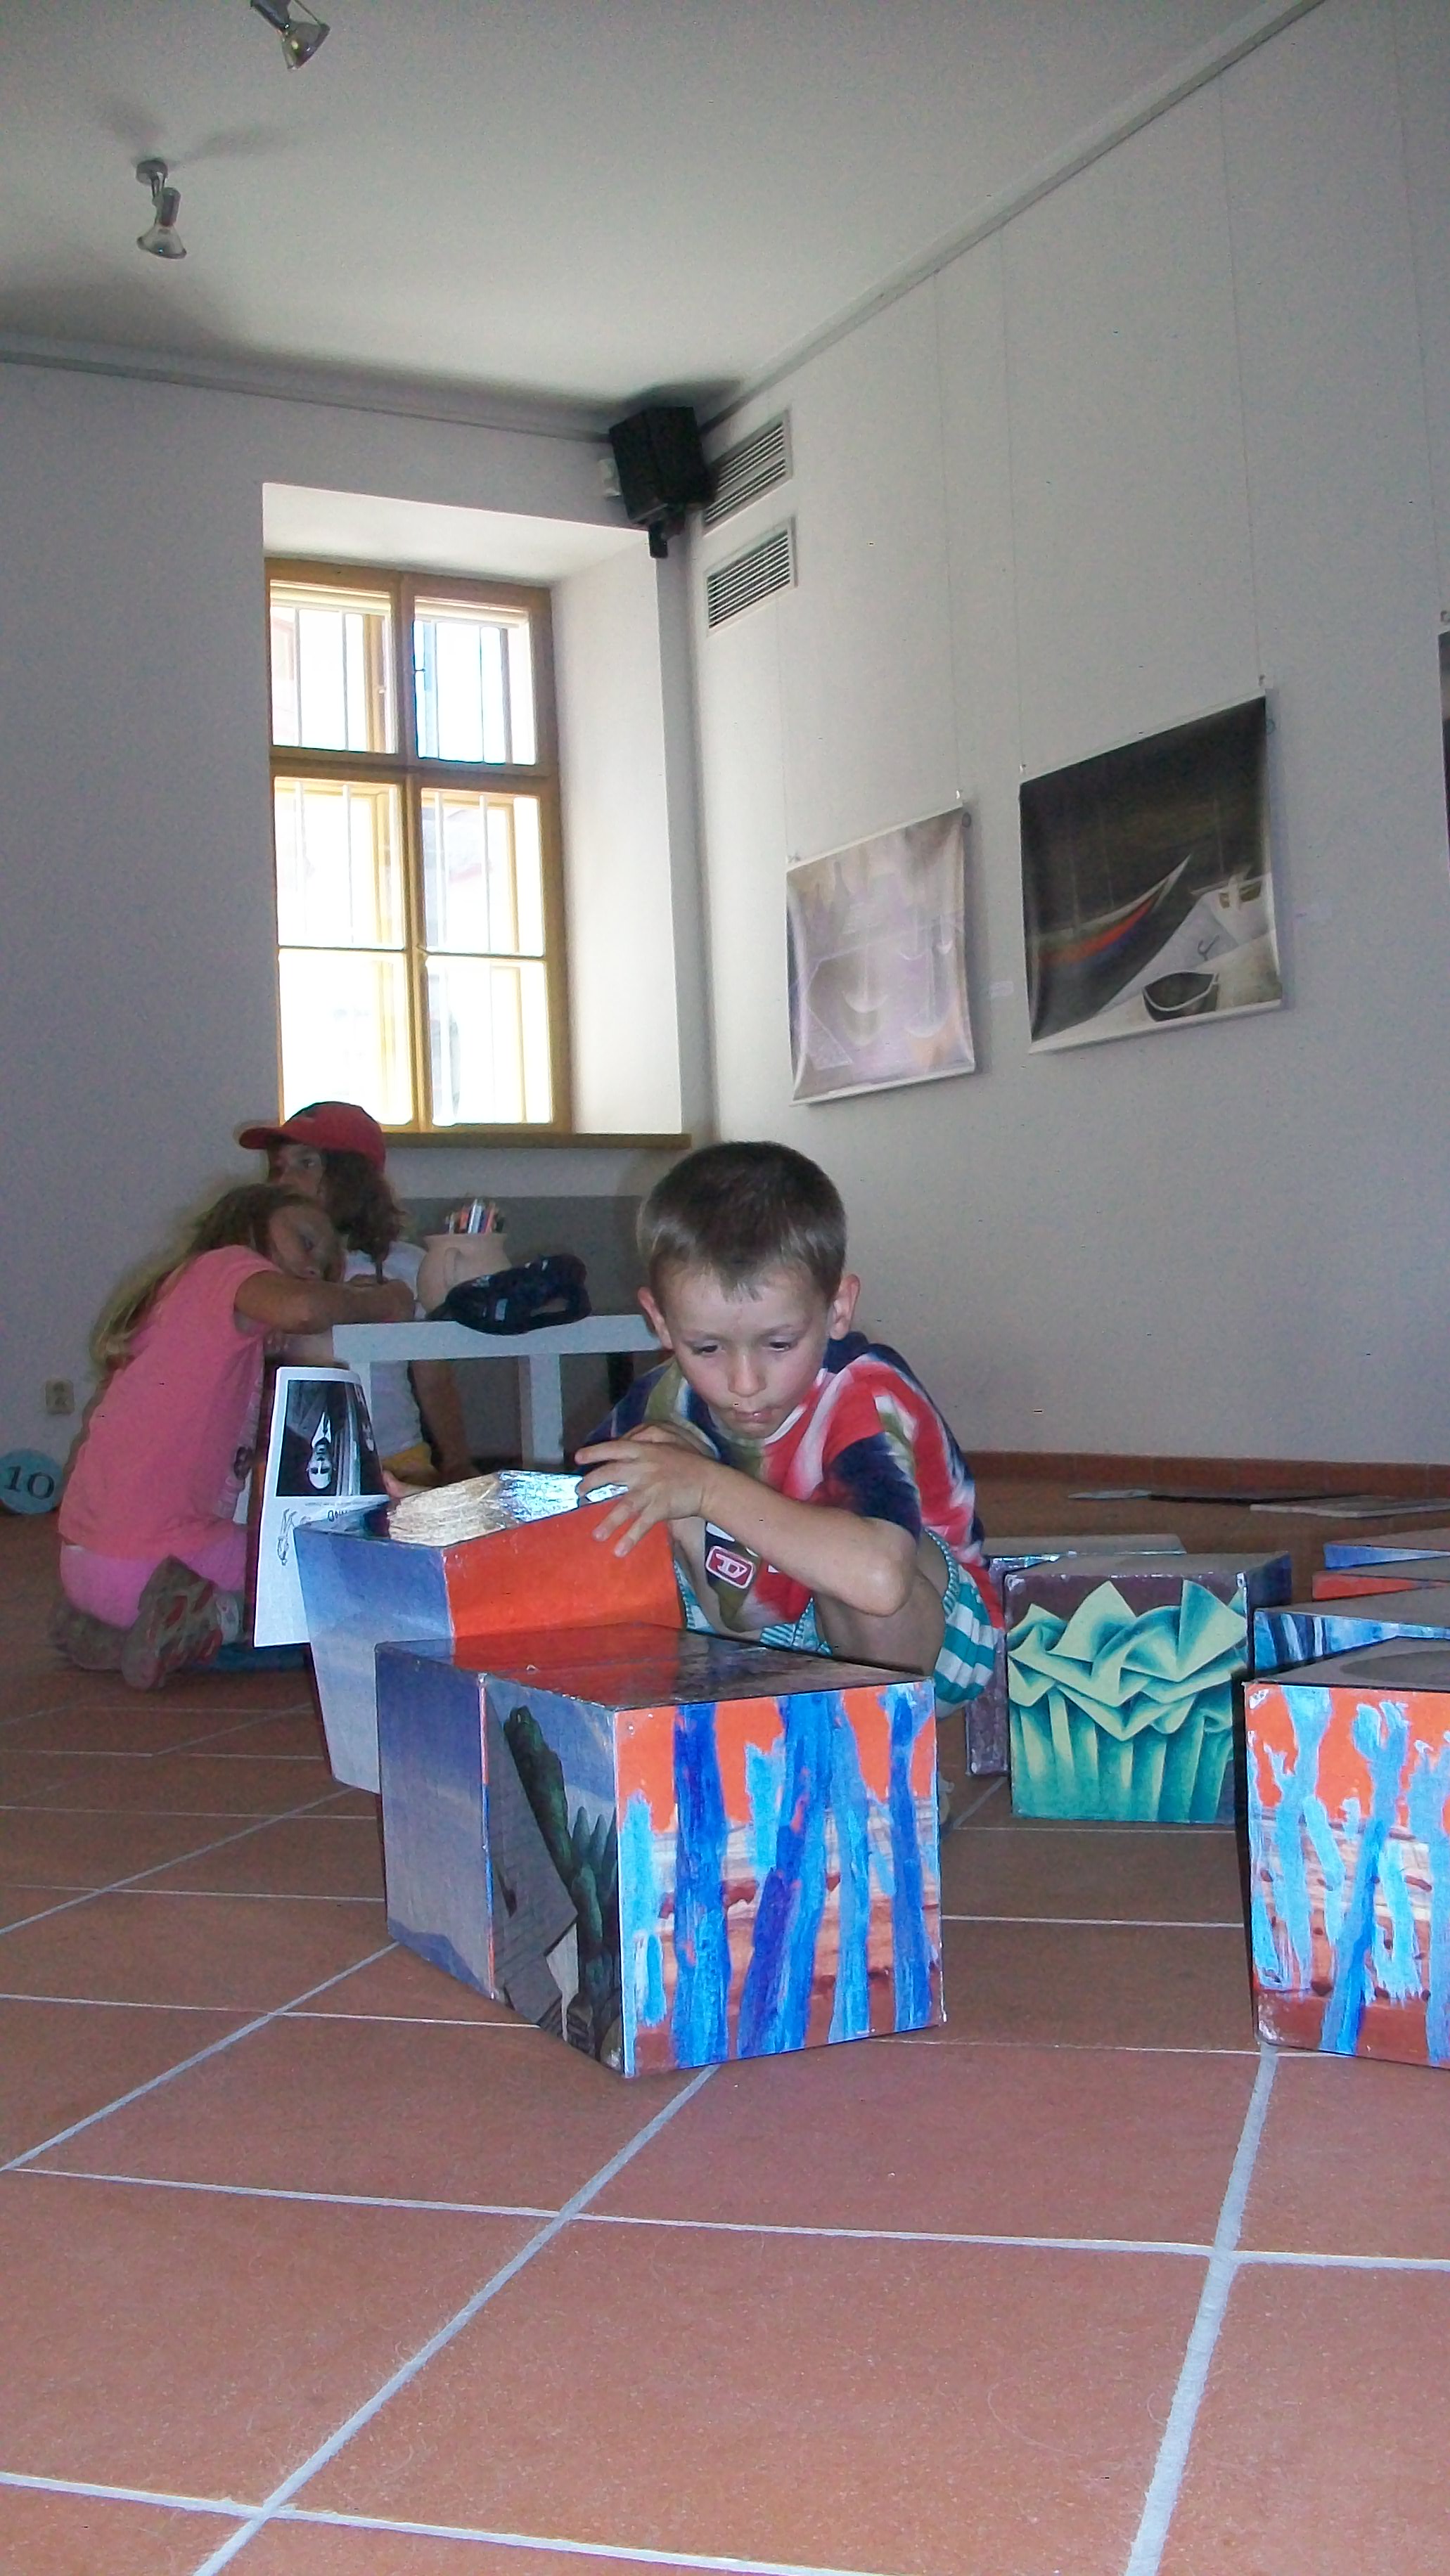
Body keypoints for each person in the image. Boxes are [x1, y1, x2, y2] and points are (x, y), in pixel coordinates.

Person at [575, 1141, 1001, 1792]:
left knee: (853, 1570)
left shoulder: (862, 1392)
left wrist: (706, 1486)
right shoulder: (664, 1400)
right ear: (660, 1320)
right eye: (707, 1348)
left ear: (837, 1308)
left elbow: (880, 1582)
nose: (744, 1383)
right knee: (644, 1473)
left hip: (932, 1643)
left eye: (779, 1343)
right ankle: (738, 1742)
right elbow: (572, 1518)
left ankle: (889, 1770)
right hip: (771, 1634)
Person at [53, 1181, 414, 1688]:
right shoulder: (224, 1266)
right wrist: (381, 1300)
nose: (315, 1269)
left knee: (291, 1569)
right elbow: (305, 1310)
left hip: (86, 1568)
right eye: (306, 1242)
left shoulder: (186, 1307)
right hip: (154, 1564)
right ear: (248, 1224)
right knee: (340, 1583)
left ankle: (110, 1629)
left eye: (327, 1267)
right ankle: (210, 1619)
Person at [236, 1100, 473, 1483]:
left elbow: (433, 1377)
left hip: (397, 1454)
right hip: (302, 1459)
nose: (285, 1180)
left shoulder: (407, 1265)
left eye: (306, 1164)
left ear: (353, 1178)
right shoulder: (268, 1272)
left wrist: (457, 1460)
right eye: (278, 1168)